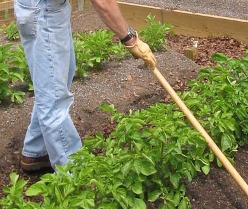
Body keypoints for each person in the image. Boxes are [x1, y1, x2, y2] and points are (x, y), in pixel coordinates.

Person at [14, 0, 156, 172]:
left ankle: (36, 151)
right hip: (44, 12)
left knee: (54, 83)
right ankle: (75, 175)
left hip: (43, 7)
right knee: (54, 99)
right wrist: (130, 39)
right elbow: (103, 2)